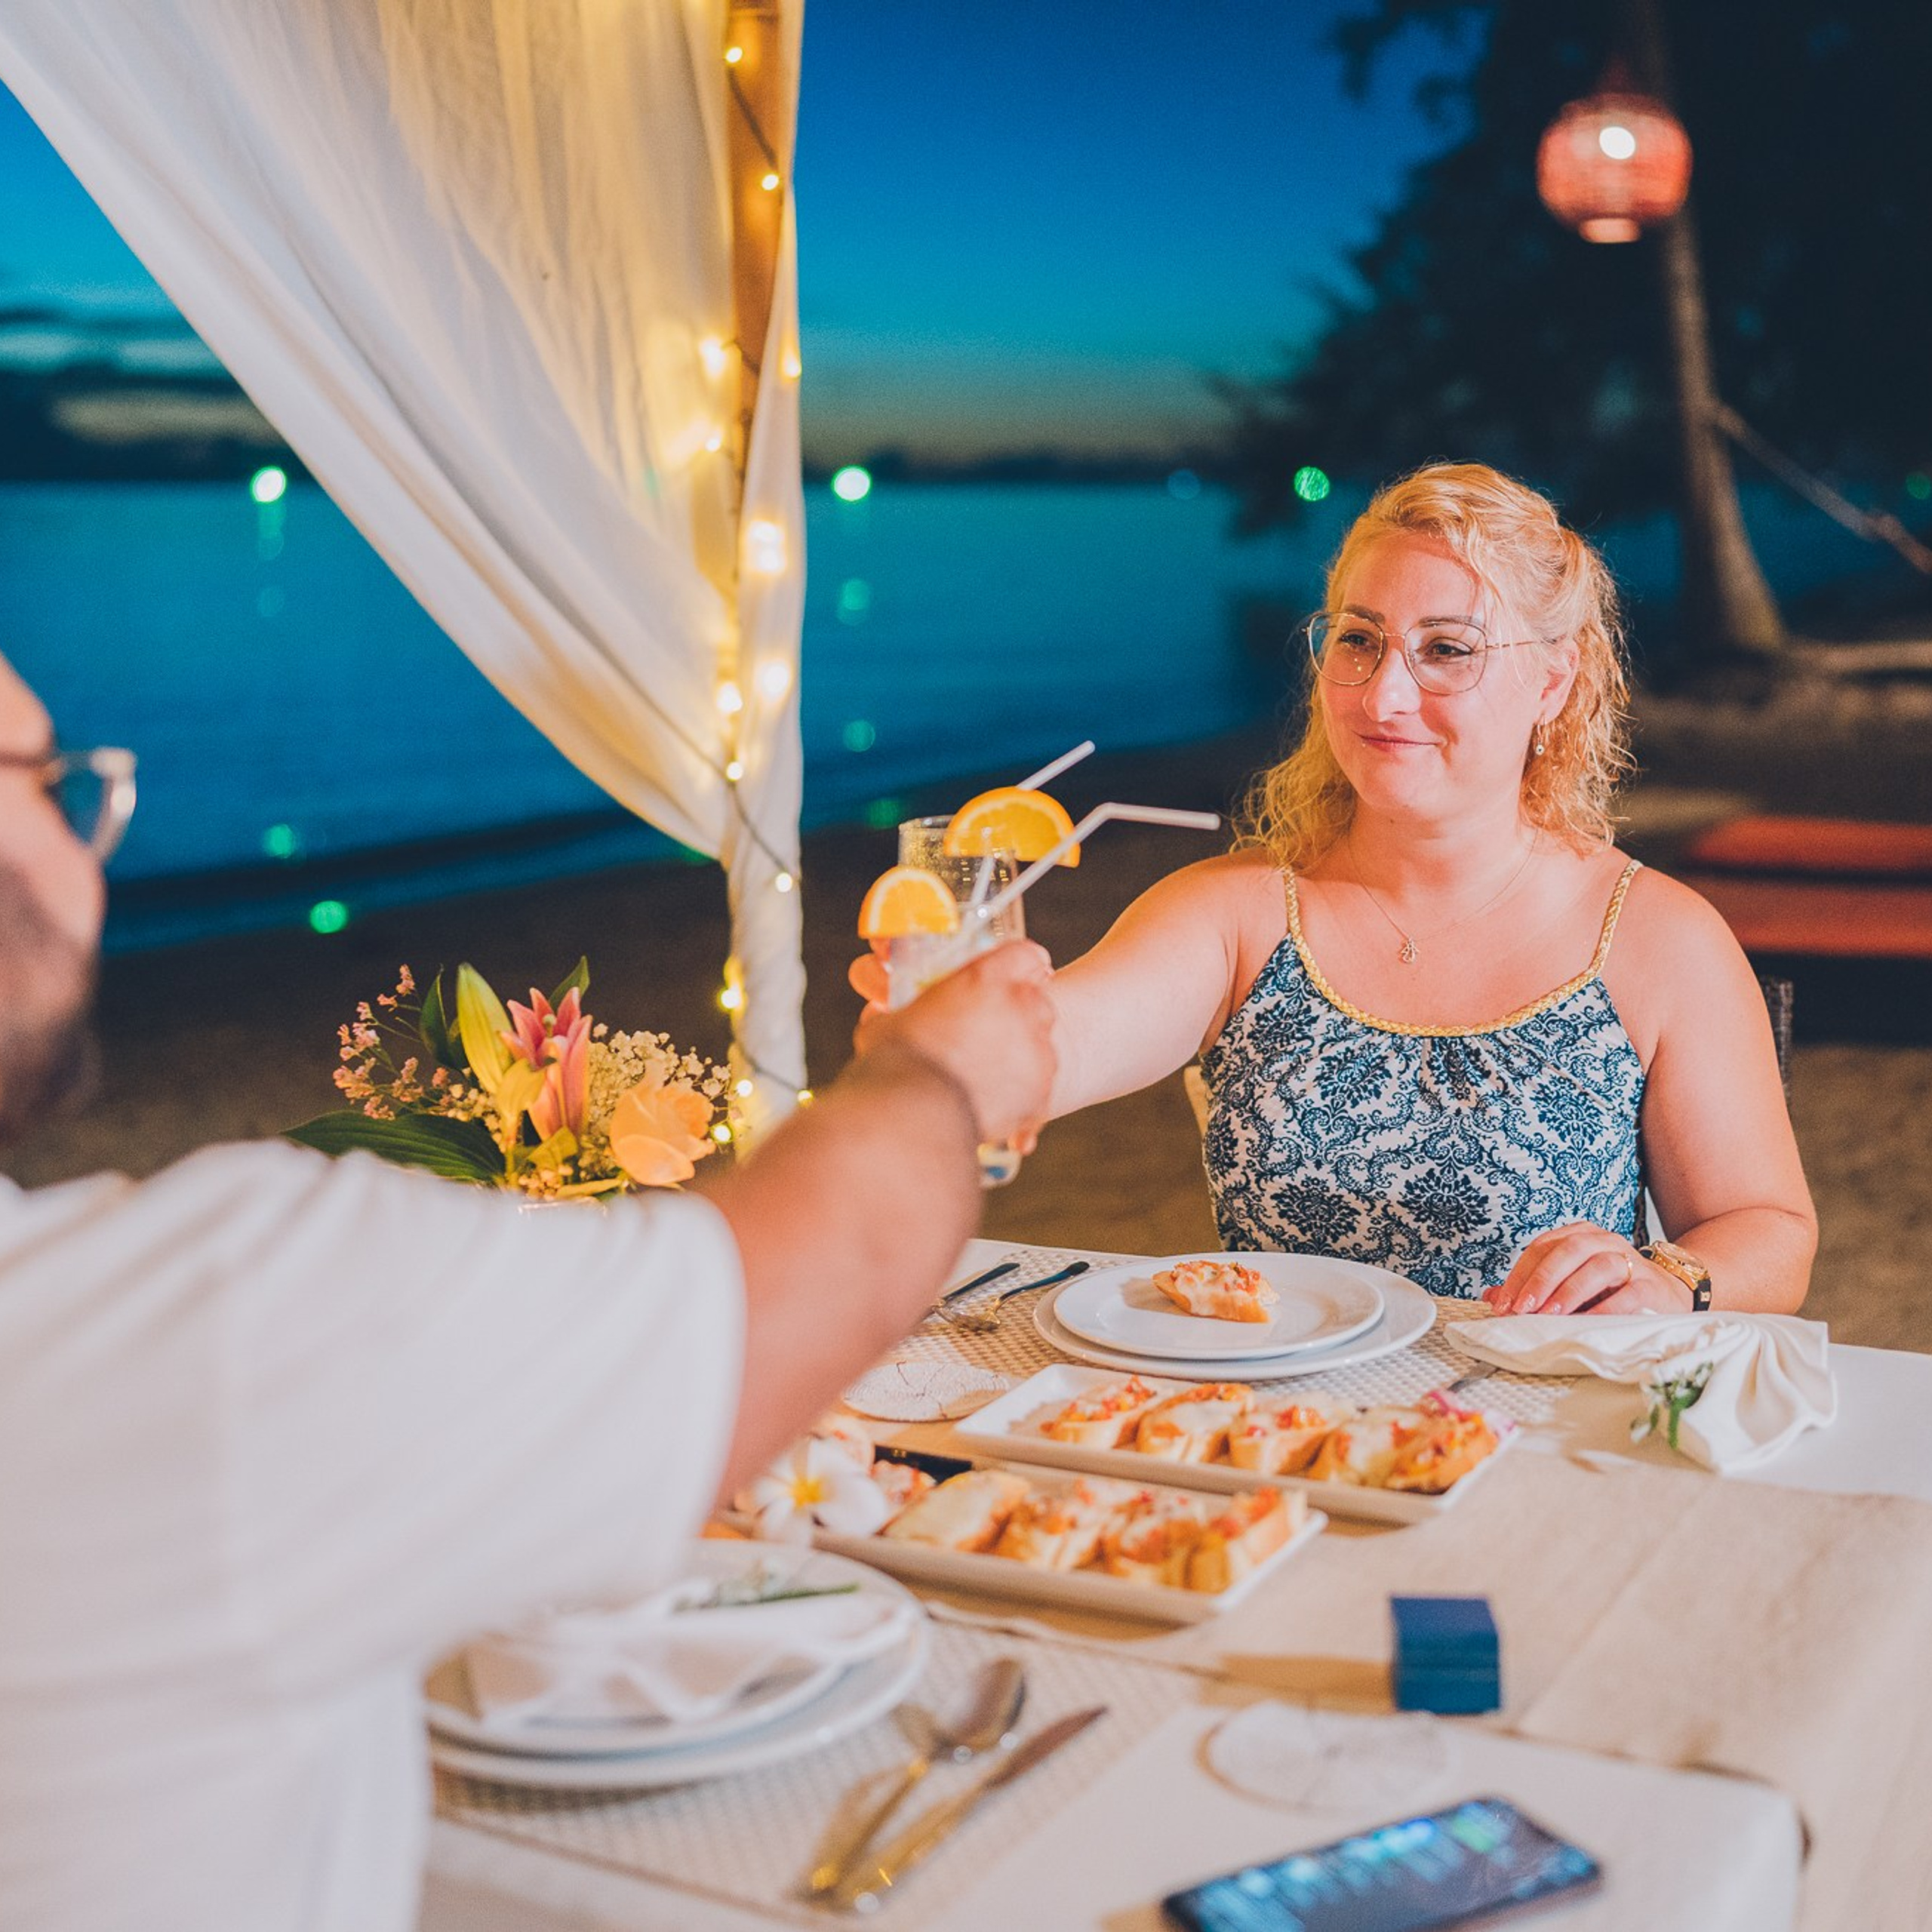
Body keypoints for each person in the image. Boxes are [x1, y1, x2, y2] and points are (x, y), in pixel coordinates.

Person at [0, 648, 1056, 1931]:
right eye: (50, 786)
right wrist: (941, 1074)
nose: (86, 844)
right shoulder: (202, 1318)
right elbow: (794, 1282)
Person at [860, 462, 1817, 1316]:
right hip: (1273, 1440)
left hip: (1549, 1430)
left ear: (1554, 685)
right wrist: (953, 1049)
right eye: (1359, 640)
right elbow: (1049, 1051)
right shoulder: (1233, 917)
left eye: (1447, 649)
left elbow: (1766, 1227)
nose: (1382, 694)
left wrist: (1671, 1279)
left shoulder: (1657, 938)